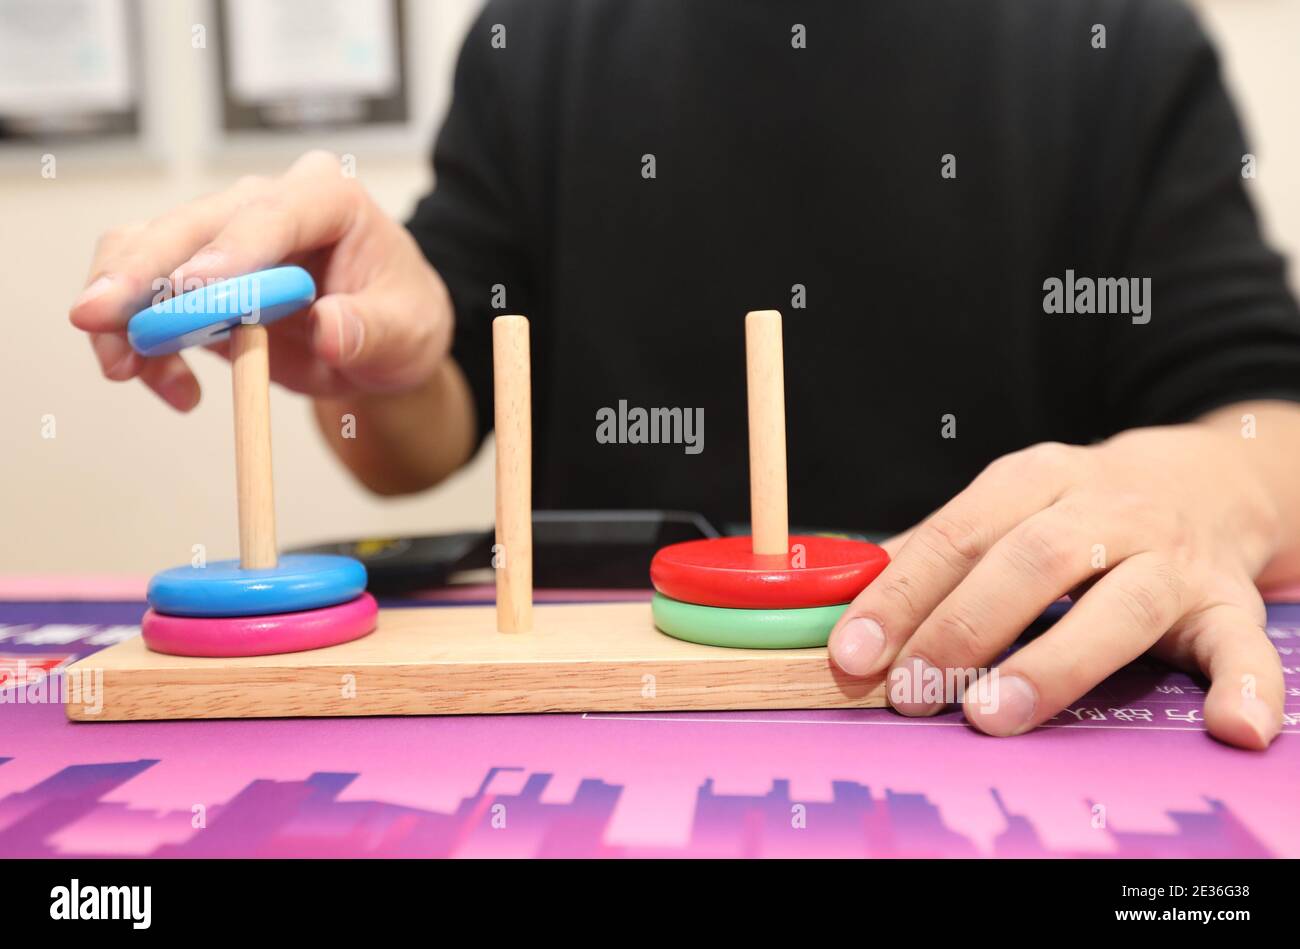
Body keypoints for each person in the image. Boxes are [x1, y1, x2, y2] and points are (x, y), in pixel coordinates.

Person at [69, 0, 1300, 749]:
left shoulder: (1118, 39)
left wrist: (1205, 489)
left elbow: (1267, 409)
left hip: (995, 711)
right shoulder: (541, 36)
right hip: (593, 705)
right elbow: (425, 434)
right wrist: (349, 355)